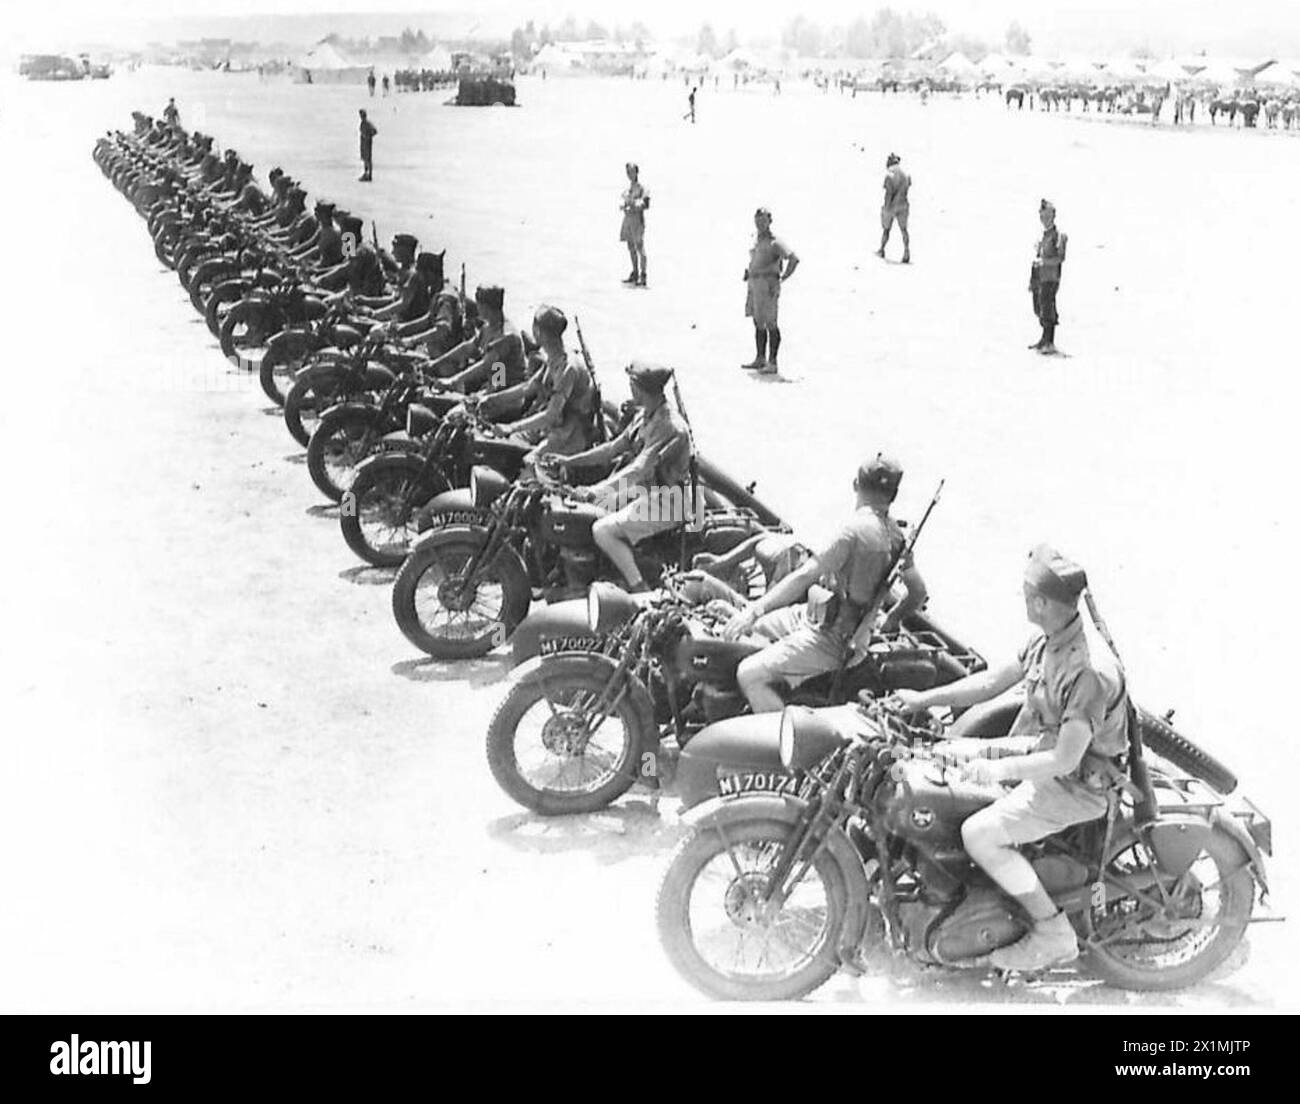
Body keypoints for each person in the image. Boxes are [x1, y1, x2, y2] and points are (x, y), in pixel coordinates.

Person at [892, 545, 1129, 971]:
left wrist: (999, 769)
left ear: (1040, 602)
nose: (1021, 600)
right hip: (1040, 753)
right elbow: (991, 683)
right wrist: (921, 700)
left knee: (980, 834)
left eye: (1025, 594)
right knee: (940, 759)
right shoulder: (1050, 638)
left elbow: (1065, 760)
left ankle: (1052, 931)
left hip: (1076, 783)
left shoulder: (1088, 670)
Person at [724, 455, 927, 712]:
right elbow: (918, 593)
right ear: (894, 494)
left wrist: (753, 610)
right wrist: (892, 619)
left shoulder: (852, 531)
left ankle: (785, 741)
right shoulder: (898, 538)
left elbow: (805, 575)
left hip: (832, 640)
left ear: (856, 484)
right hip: (824, 622)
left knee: (749, 673)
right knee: (757, 631)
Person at [553, 364, 694, 592]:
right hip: (650, 492)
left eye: (632, 385)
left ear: (640, 388)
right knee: (587, 511)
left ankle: (640, 589)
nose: (630, 389)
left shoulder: (669, 426)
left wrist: (595, 491)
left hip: (671, 500)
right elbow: (612, 449)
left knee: (602, 530)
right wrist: (569, 461)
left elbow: (639, 470)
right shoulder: (645, 415)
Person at [478, 306, 596, 456]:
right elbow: (529, 387)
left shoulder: (567, 368)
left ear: (539, 332)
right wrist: (492, 399)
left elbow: (551, 415)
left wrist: (511, 427)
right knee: (500, 444)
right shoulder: (553, 357)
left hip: (567, 433)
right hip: (550, 424)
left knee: (527, 463)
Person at [429, 285, 529, 393]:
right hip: (495, 380)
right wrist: (435, 363)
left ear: (487, 307)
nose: (477, 308)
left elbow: (487, 365)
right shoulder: (488, 327)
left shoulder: (506, 335)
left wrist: (453, 381)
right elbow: (467, 348)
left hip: (508, 390)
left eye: (479, 305)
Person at [741, 207, 799, 374]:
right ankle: (760, 358)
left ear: (769, 221)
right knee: (758, 321)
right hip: (755, 284)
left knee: (770, 322)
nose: (760, 223)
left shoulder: (776, 242)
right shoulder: (757, 240)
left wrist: (782, 278)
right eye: (757, 220)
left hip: (768, 285)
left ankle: (773, 362)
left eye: (763, 220)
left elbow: (793, 259)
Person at [1029, 199, 1067, 354]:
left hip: (1051, 277)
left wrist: (1044, 262)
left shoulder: (1058, 236)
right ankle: (1044, 339)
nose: (1044, 220)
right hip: (1041, 277)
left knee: (1047, 307)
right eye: (1042, 216)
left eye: (1047, 216)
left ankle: (1049, 341)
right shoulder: (1043, 236)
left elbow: (1060, 258)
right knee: (1039, 307)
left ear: (1053, 217)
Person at [619, 162, 650, 287]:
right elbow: (627, 201)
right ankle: (635, 272)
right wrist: (625, 206)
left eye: (632, 172)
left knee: (640, 247)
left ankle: (643, 275)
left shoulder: (642, 188)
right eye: (628, 172)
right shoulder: (628, 189)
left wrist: (634, 205)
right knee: (630, 247)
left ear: (636, 172)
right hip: (628, 220)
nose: (630, 174)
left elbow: (646, 204)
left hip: (638, 220)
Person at [877, 152, 911, 263]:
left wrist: (886, 208)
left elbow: (888, 193)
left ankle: (882, 249)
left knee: (886, 229)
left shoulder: (889, 174)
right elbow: (908, 187)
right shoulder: (906, 174)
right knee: (904, 230)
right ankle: (906, 252)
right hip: (903, 204)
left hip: (892, 205)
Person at [358, 109, 377, 182]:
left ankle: (369, 175)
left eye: (362, 115)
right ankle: (366, 173)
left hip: (367, 143)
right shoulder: (362, 123)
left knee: (368, 159)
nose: (361, 116)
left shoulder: (368, 123)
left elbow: (375, 131)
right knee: (365, 159)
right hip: (363, 143)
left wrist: (368, 136)